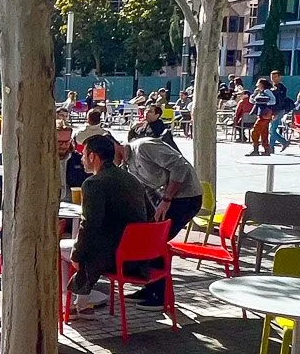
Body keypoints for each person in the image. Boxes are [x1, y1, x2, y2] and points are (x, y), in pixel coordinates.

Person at [67, 133, 153, 312]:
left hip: (113, 259)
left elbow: (89, 225)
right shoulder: (132, 179)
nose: (81, 159)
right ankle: (81, 304)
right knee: (86, 245)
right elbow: (151, 213)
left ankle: (74, 304)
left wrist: (77, 254)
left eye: (83, 155)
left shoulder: (93, 184)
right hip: (141, 257)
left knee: (69, 249)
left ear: (93, 156)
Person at [126, 123, 201, 305]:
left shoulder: (143, 146)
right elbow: (149, 189)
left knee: (156, 241)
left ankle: (160, 295)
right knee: (150, 237)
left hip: (186, 197)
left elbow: (180, 166)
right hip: (167, 200)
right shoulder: (127, 165)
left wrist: (166, 199)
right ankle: (150, 287)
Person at [249, 72, 292, 155]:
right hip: (265, 113)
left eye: (275, 77)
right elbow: (253, 100)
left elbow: (274, 101)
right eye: (272, 77)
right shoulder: (265, 91)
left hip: (268, 113)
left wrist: (268, 106)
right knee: (264, 131)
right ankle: (267, 149)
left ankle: (260, 148)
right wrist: (255, 94)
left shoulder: (271, 90)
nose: (273, 79)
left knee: (256, 131)